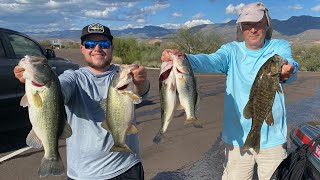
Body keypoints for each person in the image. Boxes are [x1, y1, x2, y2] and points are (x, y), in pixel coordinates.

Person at [161, 2, 299, 180]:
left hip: (273, 140)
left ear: (266, 25)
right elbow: (209, 61)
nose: (253, 30)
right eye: (247, 25)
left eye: (257, 24)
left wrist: (289, 69)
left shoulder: (279, 47)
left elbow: (290, 63)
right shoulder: (231, 51)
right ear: (241, 28)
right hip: (237, 138)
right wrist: (182, 58)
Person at [14, 23, 150, 180]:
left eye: (104, 44)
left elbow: (141, 93)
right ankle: (51, 156)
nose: (97, 48)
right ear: (82, 49)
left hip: (126, 167)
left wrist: (141, 82)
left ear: (111, 48)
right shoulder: (73, 77)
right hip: (83, 174)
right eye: (90, 44)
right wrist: (37, 81)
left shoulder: (124, 76)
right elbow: (59, 90)